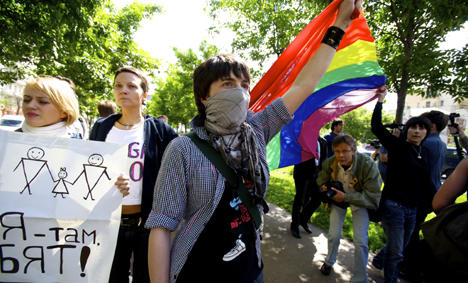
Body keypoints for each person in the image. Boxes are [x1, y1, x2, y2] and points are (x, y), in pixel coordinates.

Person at [146, 1, 362, 282]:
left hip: (250, 270)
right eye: (227, 84)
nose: (239, 93)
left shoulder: (258, 127)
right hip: (196, 271)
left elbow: (304, 85)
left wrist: (340, 26)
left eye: (244, 86)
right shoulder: (182, 149)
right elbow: (162, 226)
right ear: (203, 97)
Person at [89, 66, 178, 283]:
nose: (123, 90)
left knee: (145, 277)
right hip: (108, 222)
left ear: (144, 94)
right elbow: (90, 170)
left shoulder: (160, 131)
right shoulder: (101, 128)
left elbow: (179, 165)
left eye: (131, 86)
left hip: (147, 223)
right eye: (118, 85)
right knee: (110, 277)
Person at [371, 87, 435, 283]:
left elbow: (426, 184)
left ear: (426, 132)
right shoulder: (398, 147)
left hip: (413, 210)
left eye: (421, 128)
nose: (417, 131)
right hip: (394, 207)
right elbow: (377, 127)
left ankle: (379, 260)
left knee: (399, 247)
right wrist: (380, 101)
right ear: (407, 130)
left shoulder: (425, 155)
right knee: (397, 252)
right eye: (413, 127)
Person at [317, 135, 382, 282]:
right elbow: (320, 179)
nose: (341, 155)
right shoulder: (331, 163)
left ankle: (360, 277)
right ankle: (329, 261)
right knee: (333, 234)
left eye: (345, 151)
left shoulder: (367, 165)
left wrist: (346, 197)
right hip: (338, 201)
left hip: (360, 202)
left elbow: (373, 195)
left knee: (360, 241)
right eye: (337, 151)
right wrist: (325, 187)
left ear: (353, 150)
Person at [17, 76, 82, 138]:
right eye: (26, 100)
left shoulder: (77, 146)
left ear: (64, 112)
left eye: (42, 101)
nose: (30, 105)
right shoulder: (8, 139)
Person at [290, 136, 327, 238]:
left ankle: (303, 219)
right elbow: (295, 154)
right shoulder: (303, 139)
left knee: (317, 198)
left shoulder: (323, 142)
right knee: (300, 198)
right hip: (302, 173)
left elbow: (324, 160)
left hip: (317, 175)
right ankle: (294, 225)